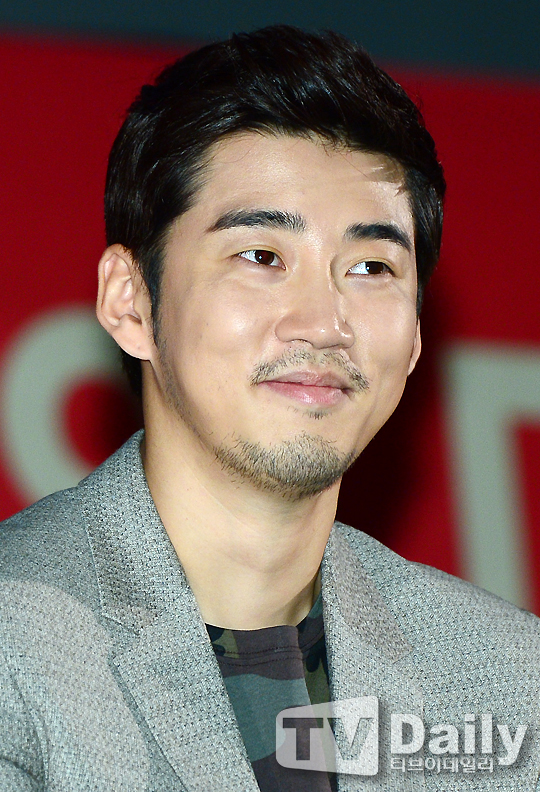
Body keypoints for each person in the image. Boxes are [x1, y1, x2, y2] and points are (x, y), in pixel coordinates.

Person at [0, 25, 539, 792]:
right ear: (130, 302)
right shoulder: (18, 649)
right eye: (262, 257)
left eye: (371, 267)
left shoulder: (511, 681)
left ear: (417, 336)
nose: (323, 322)